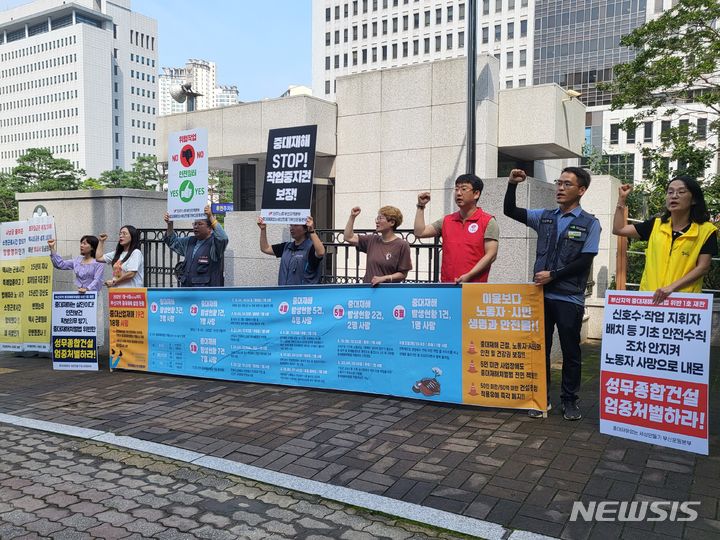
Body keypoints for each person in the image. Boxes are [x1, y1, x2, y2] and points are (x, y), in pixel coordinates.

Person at [504, 167, 601, 421]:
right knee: (540, 350)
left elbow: (584, 261)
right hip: (540, 297)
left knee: (571, 352)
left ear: (581, 190)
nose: (560, 188)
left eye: (567, 184)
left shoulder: (590, 223)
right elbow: (510, 211)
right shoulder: (544, 217)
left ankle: (569, 401)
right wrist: (512, 184)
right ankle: (541, 397)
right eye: (558, 182)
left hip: (569, 297)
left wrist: (554, 274)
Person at [612, 176, 717, 304]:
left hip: (684, 303)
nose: (674, 196)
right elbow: (619, 229)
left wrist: (671, 288)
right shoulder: (655, 225)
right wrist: (621, 200)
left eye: (681, 192)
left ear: (694, 199)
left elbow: (703, 268)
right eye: (670, 192)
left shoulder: (706, 231)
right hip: (650, 299)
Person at [414, 174, 499, 283]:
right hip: (448, 286)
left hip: (474, 286)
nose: (458, 193)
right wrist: (421, 206)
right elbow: (419, 232)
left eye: (464, 189)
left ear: (476, 194)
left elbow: (491, 255)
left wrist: (469, 275)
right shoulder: (447, 220)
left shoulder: (488, 221)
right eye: (456, 189)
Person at [343, 205, 413, 285]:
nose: (377, 221)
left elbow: (403, 274)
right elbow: (348, 237)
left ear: (392, 222)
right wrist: (352, 217)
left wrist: (384, 278)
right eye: (377, 218)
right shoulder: (372, 239)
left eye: (381, 218)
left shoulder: (402, 245)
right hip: (368, 290)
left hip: (387, 292)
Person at [164, 205, 229, 287]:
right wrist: (170, 224)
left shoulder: (214, 244)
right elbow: (172, 241)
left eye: (200, 224)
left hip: (205, 294)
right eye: (194, 224)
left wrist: (211, 217)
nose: (196, 227)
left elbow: (223, 238)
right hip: (187, 292)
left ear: (210, 228)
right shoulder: (189, 241)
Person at [257, 216, 325, 285]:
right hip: (285, 293)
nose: (292, 228)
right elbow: (265, 248)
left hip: (303, 294)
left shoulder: (311, 248)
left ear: (305, 229)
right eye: (291, 225)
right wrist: (263, 229)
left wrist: (312, 231)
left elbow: (320, 253)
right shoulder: (286, 247)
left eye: (296, 225)